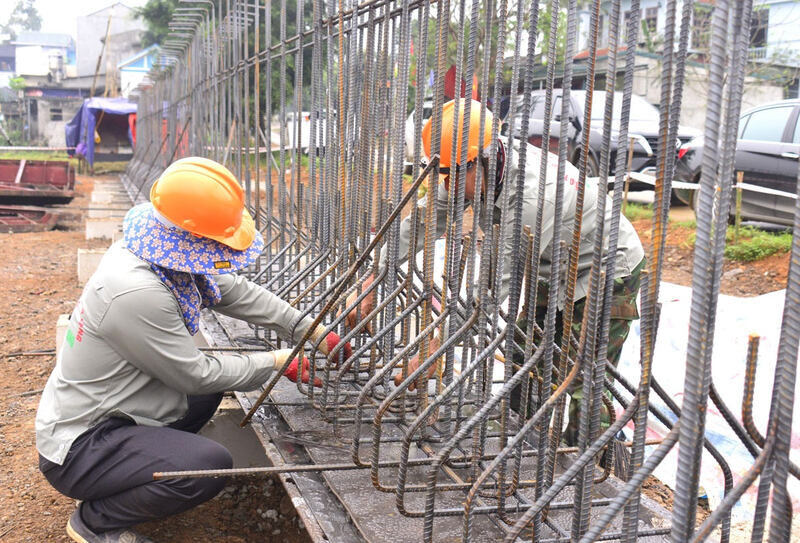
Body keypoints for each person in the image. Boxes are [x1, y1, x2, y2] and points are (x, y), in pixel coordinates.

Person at [36, 157, 351, 543]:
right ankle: (96, 520)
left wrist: (308, 329)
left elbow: (232, 290)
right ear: (192, 237)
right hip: (80, 448)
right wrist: (275, 361)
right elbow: (193, 374)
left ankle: (151, 463)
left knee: (221, 379)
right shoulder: (137, 292)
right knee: (209, 466)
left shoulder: (156, 249)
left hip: (111, 410)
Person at [345, 98, 644, 443]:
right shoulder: (466, 170)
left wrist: (436, 350)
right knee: (524, 355)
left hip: (607, 269)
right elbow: (422, 224)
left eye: (452, 175)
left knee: (583, 381)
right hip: (555, 266)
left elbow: (489, 292)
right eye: (441, 174)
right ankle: (523, 447)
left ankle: (595, 475)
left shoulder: (531, 196)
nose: (446, 186)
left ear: (480, 160)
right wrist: (372, 278)